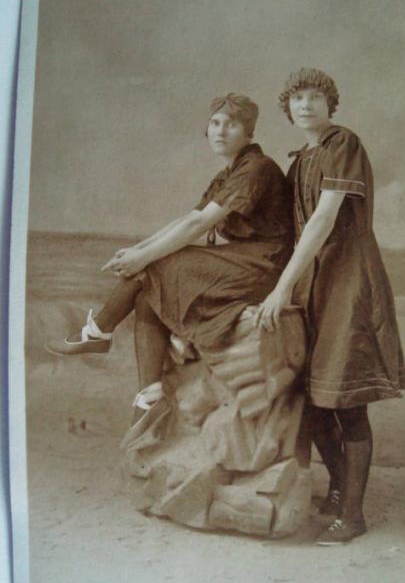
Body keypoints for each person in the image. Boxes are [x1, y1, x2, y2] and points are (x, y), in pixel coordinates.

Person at [46, 93, 294, 421]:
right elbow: (186, 218)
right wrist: (139, 250)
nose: (220, 131)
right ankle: (149, 396)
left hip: (264, 264)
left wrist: (145, 257)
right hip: (244, 257)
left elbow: (199, 224)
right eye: (215, 124)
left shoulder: (256, 168)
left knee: (157, 265)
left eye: (231, 125)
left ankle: (98, 333)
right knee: (150, 290)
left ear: (248, 133)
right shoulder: (231, 171)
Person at [255, 68, 405, 545]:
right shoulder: (302, 158)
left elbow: (323, 220)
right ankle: (340, 489)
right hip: (314, 282)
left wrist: (282, 288)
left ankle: (355, 516)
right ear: (287, 108)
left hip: (348, 280)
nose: (306, 105)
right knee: (313, 398)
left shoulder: (343, 143)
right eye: (297, 98)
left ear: (330, 104)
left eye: (316, 96)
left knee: (346, 398)